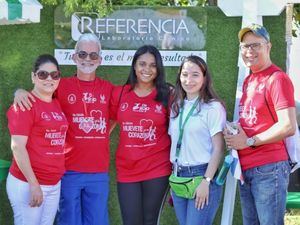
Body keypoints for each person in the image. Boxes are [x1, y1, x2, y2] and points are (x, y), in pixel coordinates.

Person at [13, 33, 113, 225]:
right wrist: (19, 91)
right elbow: (38, 95)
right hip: (67, 170)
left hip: (98, 170)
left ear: (100, 60)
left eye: (93, 55)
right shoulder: (61, 85)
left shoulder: (108, 88)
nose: (87, 59)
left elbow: (119, 114)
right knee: (69, 220)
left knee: (97, 221)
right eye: (82, 54)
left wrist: (102, 132)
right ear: (74, 57)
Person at [224, 24, 296, 225]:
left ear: (269, 47)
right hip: (247, 169)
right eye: (245, 46)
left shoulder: (277, 79)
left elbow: (288, 126)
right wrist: (234, 129)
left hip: (269, 168)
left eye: (256, 45)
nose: (249, 51)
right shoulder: (250, 80)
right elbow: (256, 120)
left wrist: (248, 141)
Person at [109, 45, 171, 225]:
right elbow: (110, 122)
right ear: (134, 66)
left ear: (158, 68)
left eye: (153, 65)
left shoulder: (167, 93)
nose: (147, 69)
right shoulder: (120, 93)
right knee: (131, 221)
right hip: (127, 169)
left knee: (150, 220)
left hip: (157, 168)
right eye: (142, 64)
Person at [6, 54, 68, 225]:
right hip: (28, 183)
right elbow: (17, 147)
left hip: (53, 183)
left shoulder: (56, 103)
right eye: (42, 74)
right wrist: (34, 184)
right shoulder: (24, 106)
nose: (49, 79)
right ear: (33, 77)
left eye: (54, 75)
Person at [168, 55, 226, 225]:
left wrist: (206, 181)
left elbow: (218, 149)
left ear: (204, 78)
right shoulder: (176, 106)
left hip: (201, 176)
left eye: (195, 75)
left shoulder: (213, 108)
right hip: (178, 178)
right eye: (185, 74)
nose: (189, 80)